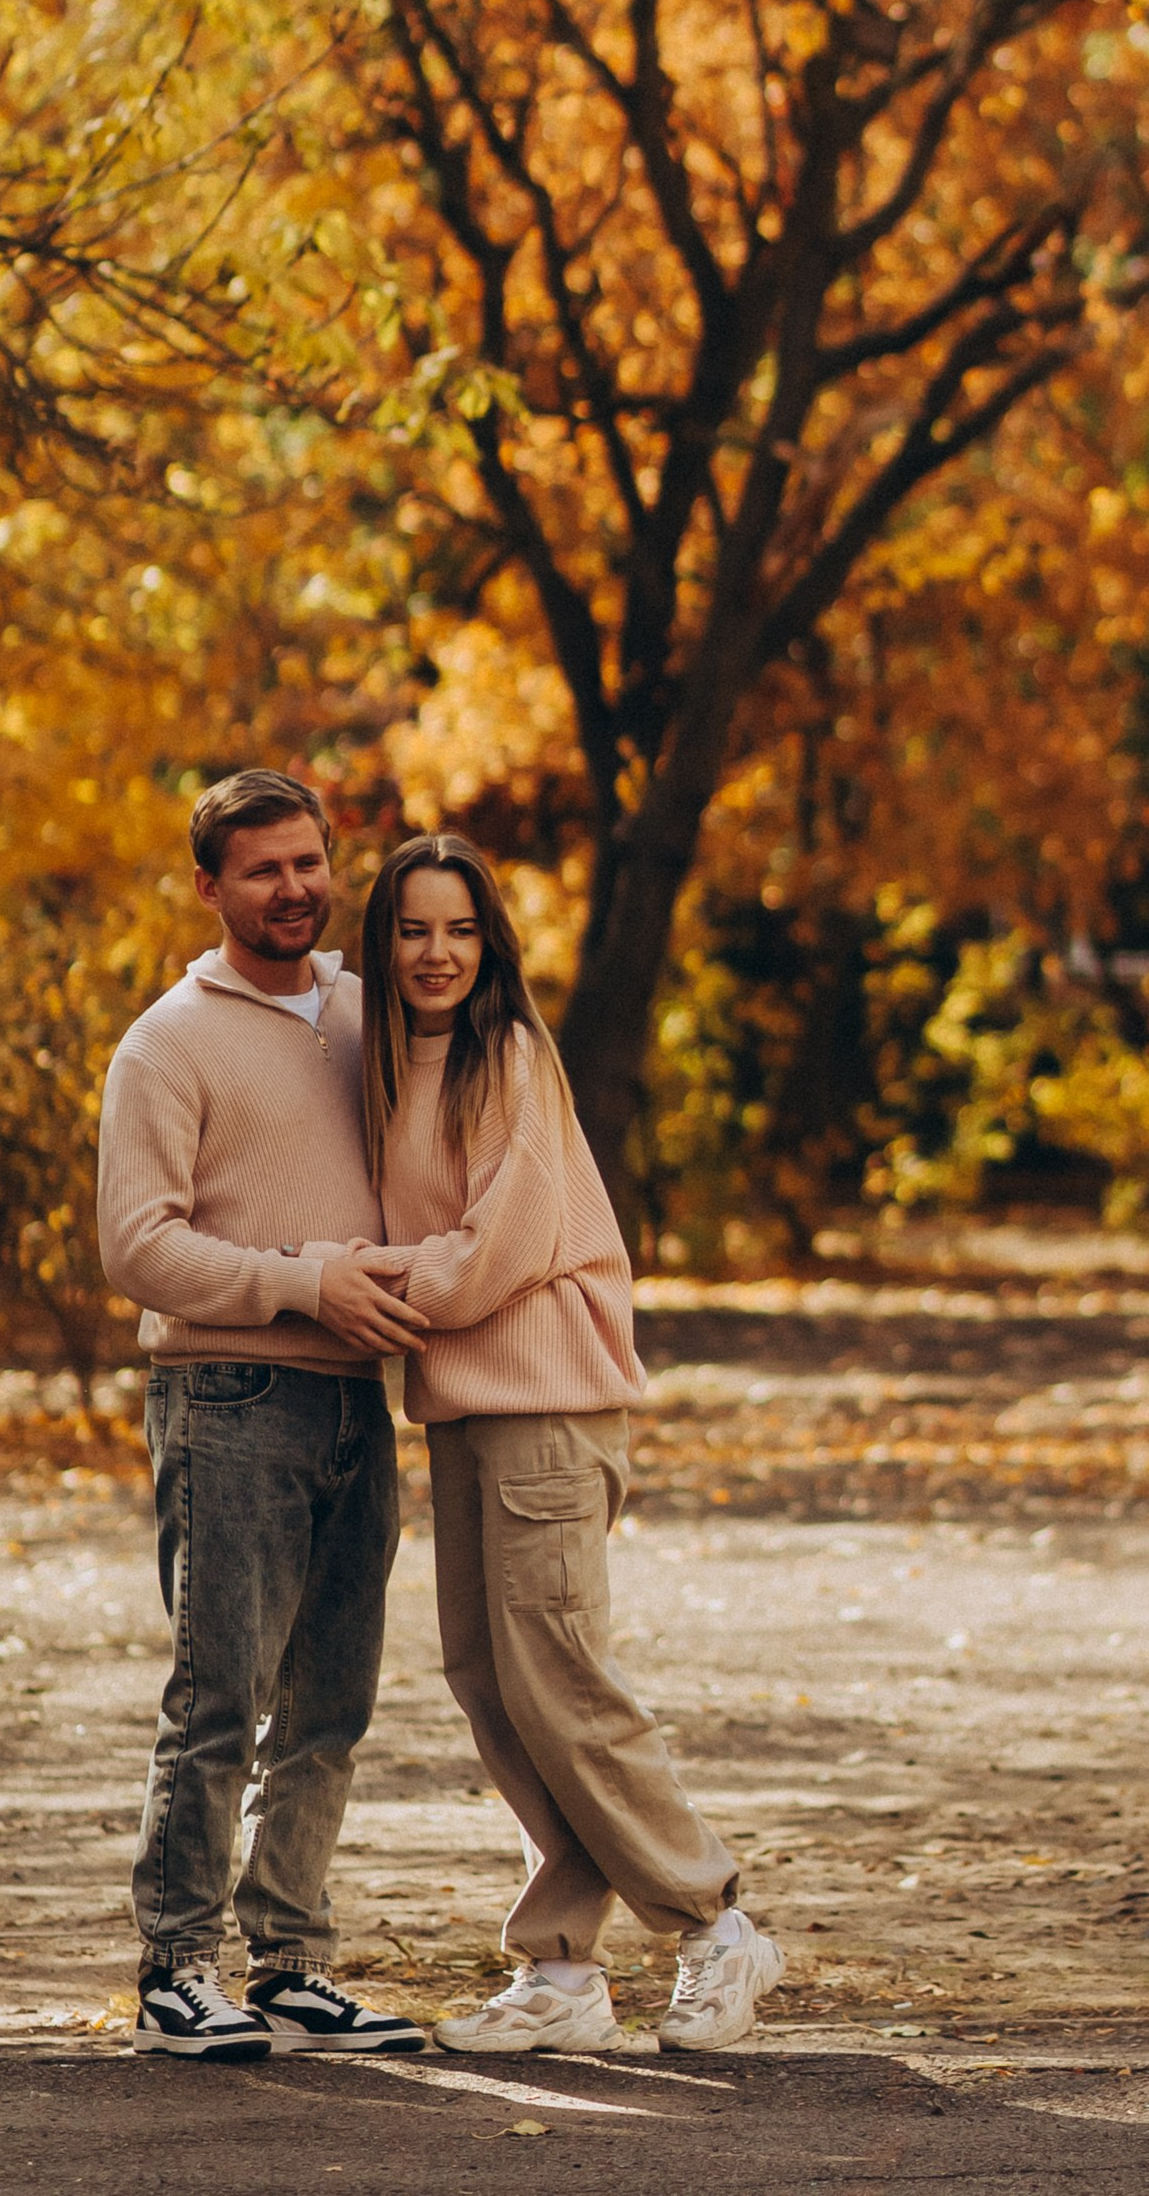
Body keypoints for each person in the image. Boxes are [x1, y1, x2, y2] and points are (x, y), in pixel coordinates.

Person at [357, 828, 783, 2055]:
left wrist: (373, 1287)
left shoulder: (510, 1054)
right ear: (382, 943)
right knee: (492, 1682)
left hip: (543, 1399)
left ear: (489, 943)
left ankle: (715, 1922)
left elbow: (502, 1243)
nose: (437, 952)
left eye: (460, 928)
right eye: (412, 928)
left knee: (563, 1680)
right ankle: (562, 1973)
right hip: (461, 1406)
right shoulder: (392, 1062)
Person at [97, 766, 432, 2061]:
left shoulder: (367, 1009)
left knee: (333, 1699)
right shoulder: (168, 1042)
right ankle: (177, 1967)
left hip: (360, 1391)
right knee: (219, 1694)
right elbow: (138, 1249)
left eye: (308, 863)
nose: (292, 888)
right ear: (209, 888)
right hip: (226, 1393)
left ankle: (291, 1960)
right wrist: (305, 1285)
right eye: (261, 870)